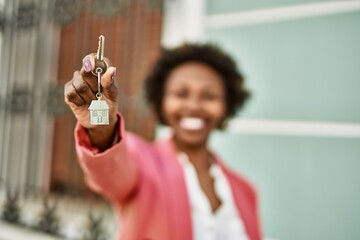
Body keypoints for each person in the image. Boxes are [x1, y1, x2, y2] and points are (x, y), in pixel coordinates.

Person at [64, 43, 262, 240]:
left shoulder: (246, 191)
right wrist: (101, 127)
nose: (194, 106)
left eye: (209, 96)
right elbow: (112, 173)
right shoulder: (141, 162)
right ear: (161, 101)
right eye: (181, 94)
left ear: (227, 105)